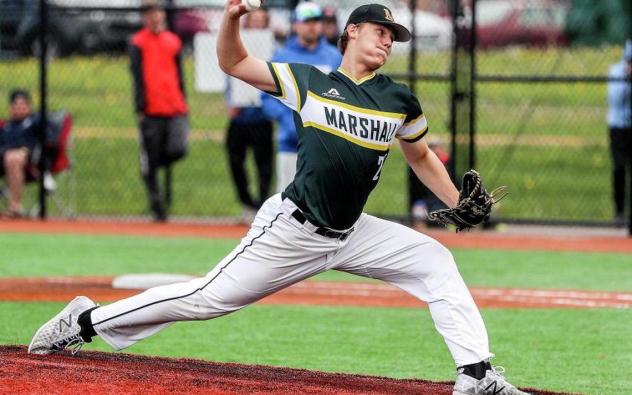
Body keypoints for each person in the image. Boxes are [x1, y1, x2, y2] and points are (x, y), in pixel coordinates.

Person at [28, 3, 529, 394]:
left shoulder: (398, 99)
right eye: (381, 31)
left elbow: (419, 157)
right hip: (293, 229)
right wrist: (231, 19)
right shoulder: (309, 82)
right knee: (207, 299)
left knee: (434, 260)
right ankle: (85, 320)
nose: (388, 42)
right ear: (351, 32)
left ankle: (476, 373)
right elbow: (233, 62)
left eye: (393, 38)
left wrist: (457, 199)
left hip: (354, 231)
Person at [261, 1, 341, 193]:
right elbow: (267, 98)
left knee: (324, 198)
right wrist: (288, 120)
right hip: (291, 143)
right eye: (306, 21)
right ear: (296, 25)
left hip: (326, 145)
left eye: (316, 21)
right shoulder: (282, 57)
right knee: (287, 197)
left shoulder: (334, 57)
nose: (312, 25)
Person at [130, 0, 190, 222]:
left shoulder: (173, 41)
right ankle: (158, 207)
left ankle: (151, 165)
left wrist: (184, 101)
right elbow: (137, 77)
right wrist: (140, 107)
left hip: (174, 107)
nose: (154, 17)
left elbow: (179, 75)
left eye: (156, 11)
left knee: (178, 148)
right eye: (149, 13)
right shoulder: (138, 42)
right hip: (151, 110)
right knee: (151, 158)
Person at [225, 9, 274, 220]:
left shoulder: (273, 47)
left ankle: (261, 205)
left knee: (263, 163)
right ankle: (247, 202)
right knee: (236, 160)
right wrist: (230, 101)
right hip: (240, 116)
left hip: (261, 117)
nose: (256, 24)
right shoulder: (238, 44)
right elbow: (228, 74)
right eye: (253, 20)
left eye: (260, 21)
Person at [0, 90, 39, 218]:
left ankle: (14, 206)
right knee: (9, 156)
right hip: (3, 157)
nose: (19, 108)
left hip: (28, 161)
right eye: (15, 105)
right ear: (10, 108)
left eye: (22, 105)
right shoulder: (6, 126)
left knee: (13, 157)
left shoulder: (34, 123)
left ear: (29, 107)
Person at [607, 40, 632, 225]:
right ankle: (619, 212)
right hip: (618, 127)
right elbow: (616, 99)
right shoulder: (616, 71)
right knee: (619, 168)